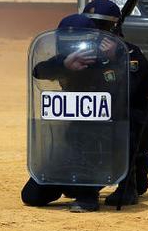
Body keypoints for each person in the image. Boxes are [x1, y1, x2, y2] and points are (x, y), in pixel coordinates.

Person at [81, 0, 148, 206]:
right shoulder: (83, 53)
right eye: (90, 25)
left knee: (122, 120)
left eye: (100, 26)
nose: (94, 31)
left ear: (114, 28)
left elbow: (124, 93)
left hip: (138, 126)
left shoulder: (131, 55)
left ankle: (129, 183)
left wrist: (114, 59)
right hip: (98, 122)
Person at [20, 13, 110, 212]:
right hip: (69, 138)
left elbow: (124, 92)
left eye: (78, 43)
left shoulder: (110, 60)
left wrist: (109, 62)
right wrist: (64, 65)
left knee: (84, 184)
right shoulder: (66, 60)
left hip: (102, 140)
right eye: (66, 42)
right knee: (32, 196)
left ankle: (90, 191)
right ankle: (66, 184)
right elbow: (39, 71)